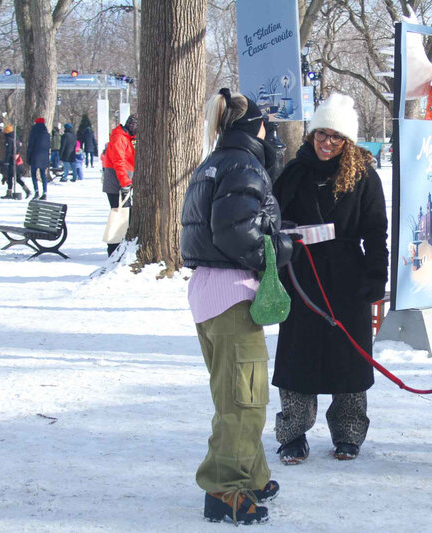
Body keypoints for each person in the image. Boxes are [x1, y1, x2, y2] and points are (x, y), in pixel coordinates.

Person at [180, 88, 301, 526]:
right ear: (256, 127)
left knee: (237, 394)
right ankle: (223, 489)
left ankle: (250, 476)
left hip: (211, 292)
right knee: (243, 400)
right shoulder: (242, 165)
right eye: (268, 125)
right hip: (231, 294)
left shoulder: (215, 162)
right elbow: (234, 233)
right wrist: (280, 247)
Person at [272, 93, 388, 464]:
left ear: (347, 141)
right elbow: (272, 220)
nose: (327, 142)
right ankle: (292, 434)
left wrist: (376, 275)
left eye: (336, 137)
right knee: (297, 358)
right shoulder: (294, 171)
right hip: (301, 276)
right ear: (312, 133)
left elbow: (376, 231)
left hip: (347, 278)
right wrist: (286, 233)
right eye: (322, 133)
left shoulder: (364, 176)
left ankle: (348, 433)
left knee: (349, 360)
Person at [102, 115, 136, 256]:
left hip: (120, 183)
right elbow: (119, 162)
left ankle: (116, 247)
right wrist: (125, 183)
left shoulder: (126, 137)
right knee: (119, 216)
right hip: (117, 184)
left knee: (123, 215)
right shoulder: (120, 138)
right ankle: (113, 249)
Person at [0, 125, 30, 199]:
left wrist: (6, 162)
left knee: (10, 177)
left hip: (12, 162)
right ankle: (27, 190)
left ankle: (9, 193)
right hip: (18, 162)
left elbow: (9, 152)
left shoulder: (9, 140)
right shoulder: (16, 138)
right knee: (17, 178)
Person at [26, 117, 51, 199]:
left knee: (33, 174)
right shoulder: (47, 134)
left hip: (35, 156)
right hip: (44, 157)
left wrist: (28, 157)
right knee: (43, 175)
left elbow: (30, 146)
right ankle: (45, 192)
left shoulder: (34, 132)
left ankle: (36, 191)